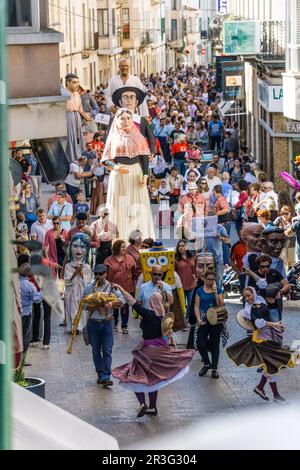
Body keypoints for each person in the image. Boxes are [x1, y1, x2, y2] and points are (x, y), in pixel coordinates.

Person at [111, 287, 195, 418]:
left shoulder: (148, 314)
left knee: (134, 374)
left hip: (147, 349)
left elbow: (131, 301)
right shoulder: (164, 317)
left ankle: (143, 404)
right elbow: (169, 333)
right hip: (160, 347)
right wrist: (172, 344)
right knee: (153, 378)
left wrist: (121, 288)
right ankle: (153, 407)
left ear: (151, 302)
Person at [226, 287, 296, 403]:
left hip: (269, 336)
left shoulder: (260, 300)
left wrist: (275, 326)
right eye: (245, 297)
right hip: (262, 340)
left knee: (270, 365)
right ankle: (274, 395)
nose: (247, 298)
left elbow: (262, 283)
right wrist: (274, 324)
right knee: (272, 364)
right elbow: (259, 324)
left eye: (249, 295)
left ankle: (261, 388)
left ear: (254, 294)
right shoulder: (249, 310)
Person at [101, 108, 155, 240]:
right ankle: (120, 239)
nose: (125, 121)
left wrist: (145, 175)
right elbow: (105, 159)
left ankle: (140, 238)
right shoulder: (112, 137)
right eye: (122, 118)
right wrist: (116, 167)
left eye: (128, 118)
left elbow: (144, 157)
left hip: (136, 174)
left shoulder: (139, 137)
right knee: (120, 208)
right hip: (119, 176)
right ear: (117, 120)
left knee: (138, 207)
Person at [82, 264, 124, 387]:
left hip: (108, 322)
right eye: (96, 274)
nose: (98, 276)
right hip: (93, 323)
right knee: (95, 351)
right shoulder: (89, 287)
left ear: (106, 274)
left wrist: (111, 305)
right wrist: (97, 307)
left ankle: (106, 376)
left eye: (101, 274)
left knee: (107, 350)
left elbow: (122, 300)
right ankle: (100, 374)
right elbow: (83, 305)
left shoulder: (112, 287)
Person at [194, 271, 224, 379]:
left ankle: (214, 368)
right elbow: (196, 306)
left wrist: (215, 293)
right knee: (200, 342)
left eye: (212, 279)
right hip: (204, 319)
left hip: (216, 321)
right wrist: (198, 319)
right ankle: (207, 363)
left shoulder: (218, 290)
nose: (210, 281)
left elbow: (220, 305)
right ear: (204, 279)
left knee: (215, 344)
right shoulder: (199, 291)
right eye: (209, 279)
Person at [245, 254, 290, 321]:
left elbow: (287, 285)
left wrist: (281, 292)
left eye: (267, 266)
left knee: (276, 326)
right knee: (262, 328)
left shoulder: (274, 272)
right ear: (258, 266)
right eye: (263, 266)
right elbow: (250, 292)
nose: (265, 268)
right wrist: (265, 298)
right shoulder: (254, 276)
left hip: (273, 305)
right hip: (259, 307)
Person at [111, 86, 155, 154]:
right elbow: (108, 138)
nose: (129, 100)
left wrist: (152, 151)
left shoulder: (142, 120)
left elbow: (151, 137)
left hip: (139, 157)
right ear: (120, 102)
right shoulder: (114, 120)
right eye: (125, 97)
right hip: (119, 157)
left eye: (132, 97)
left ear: (136, 102)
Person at [104, 240, 136, 334]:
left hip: (126, 288)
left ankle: (124, 326)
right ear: (117, 248)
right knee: (114, 307)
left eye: (125, 247)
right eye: (122, 247)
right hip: (113, 288)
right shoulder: (108, 260)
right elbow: (104, 274)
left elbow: (134, 272)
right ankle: (114, 324)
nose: (124, 248)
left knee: (125, 308)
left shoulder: (130, 258)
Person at [64, 233, 92, 333]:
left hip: (81, 293)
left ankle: (81, 326)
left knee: (82, 310)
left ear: (87, 249)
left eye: (82, 247)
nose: (78, 250)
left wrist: (81, 273)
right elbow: (67, 280)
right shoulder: (68, 265)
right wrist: (75, 273)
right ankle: (72, 327)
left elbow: (88, 282)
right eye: (75, 246)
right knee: (71, 309)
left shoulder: (87, 267)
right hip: (71, 292)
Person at [64, 73, 92, 161]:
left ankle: (77, 158)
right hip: (68, 117)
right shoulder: (64, 94)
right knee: (70, 139)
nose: (77, 85)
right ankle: (70, 159)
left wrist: (86, 118)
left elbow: (80, 109)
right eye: (74, 82)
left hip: (77, 118)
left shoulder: (77, 95)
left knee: (78, 138)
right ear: (68, 83)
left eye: (78, 82)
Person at [19, 263, 43, 354]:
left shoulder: (14, 282)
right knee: (25, 335)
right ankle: (22, 357)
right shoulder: (29, 285)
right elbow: (36, 299)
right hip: (25, 313)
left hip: (15, 312)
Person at [175, 240, 196, 324]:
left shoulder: (192, 257)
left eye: (183, 246)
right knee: (181, 304)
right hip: (180, 285)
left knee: (191, 304)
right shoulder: (175, 259)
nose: (181, 247)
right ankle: (182, 320)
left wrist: (196, 277)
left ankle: (187, 319)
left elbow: (194, 270)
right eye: (179, 246)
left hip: (191, 284)